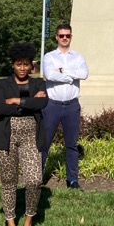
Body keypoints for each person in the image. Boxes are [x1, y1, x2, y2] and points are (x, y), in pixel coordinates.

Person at [0, 43, 48, 226]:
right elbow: (0, 108)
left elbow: (42, 103)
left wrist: (15, 101)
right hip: (6, 138)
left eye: (26, 65)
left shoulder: (39, 84)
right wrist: (29, 103)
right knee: (9, 182)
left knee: (34, 180)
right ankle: (11, 223)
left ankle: (28, 222)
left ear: (31, 66)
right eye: (18, 64)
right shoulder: (2, 85)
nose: (22, 68)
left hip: (32, 137)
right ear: (12, 65)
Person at [41, 23, 89, 189]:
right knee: (44, 143)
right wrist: (70, 76)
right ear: (56, 37)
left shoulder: (78, 57)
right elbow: (49, 75)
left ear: (71, 36)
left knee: (71, 144)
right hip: (51, 105)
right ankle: (37, 179)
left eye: (67, 35)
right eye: (61, 35)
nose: (64, 38)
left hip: (72, 106)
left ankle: (72, 180)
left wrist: (63, 72)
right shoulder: (49, 57)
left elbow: (84, 74)